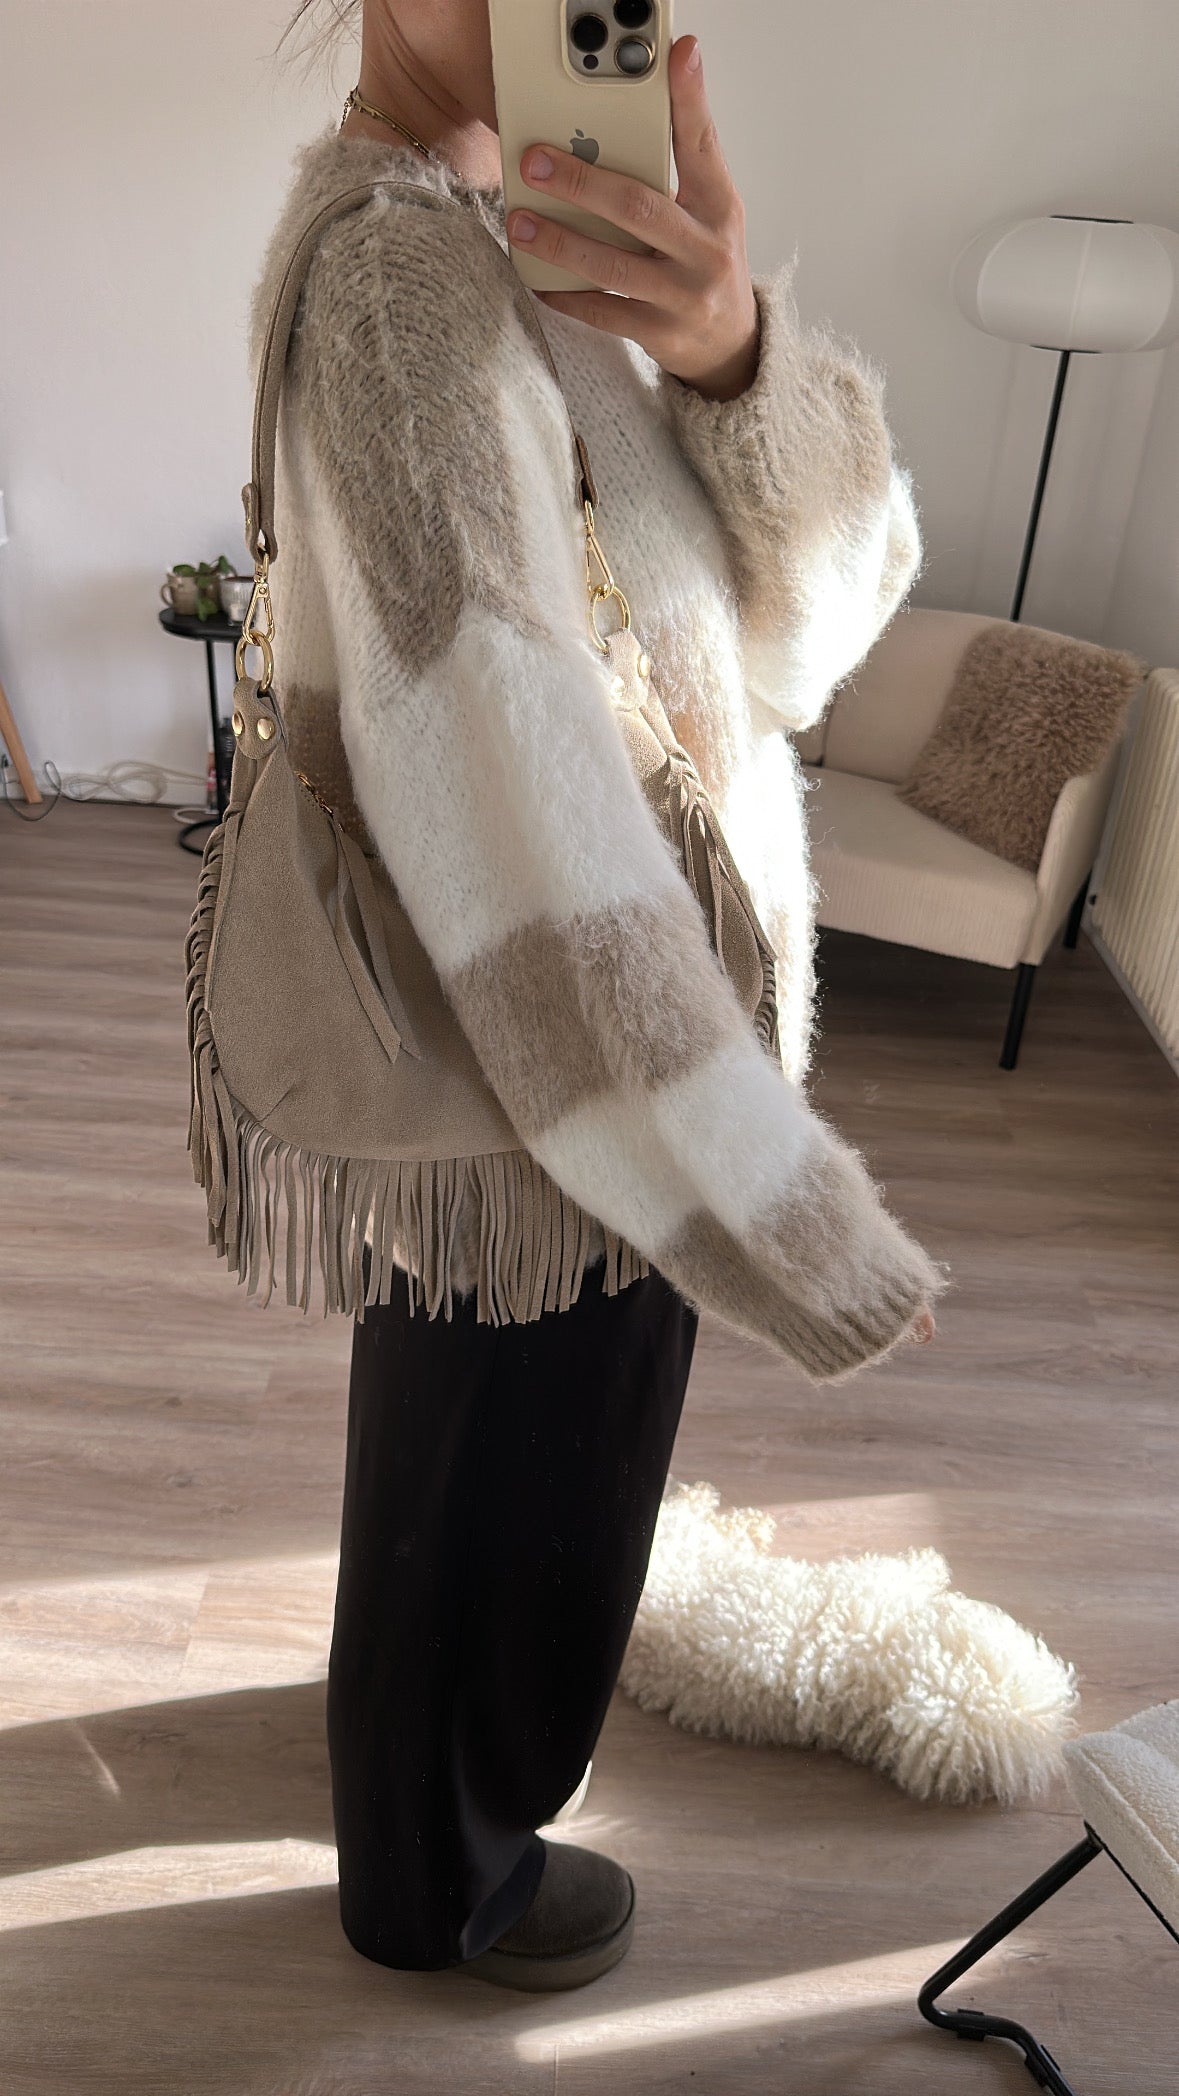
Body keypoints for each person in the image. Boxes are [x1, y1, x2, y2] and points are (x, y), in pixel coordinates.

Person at [260, 0, 943, 1994]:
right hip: (572, 1075)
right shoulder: (406, 291)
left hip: (578, 1059)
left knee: (463, 1455)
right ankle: (439, 1883)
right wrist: (780, 1209)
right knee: (523, 1482)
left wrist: (732, 355)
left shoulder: (519, 252)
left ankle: (407, 1771)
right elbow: (519, 806)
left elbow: (801, 642)